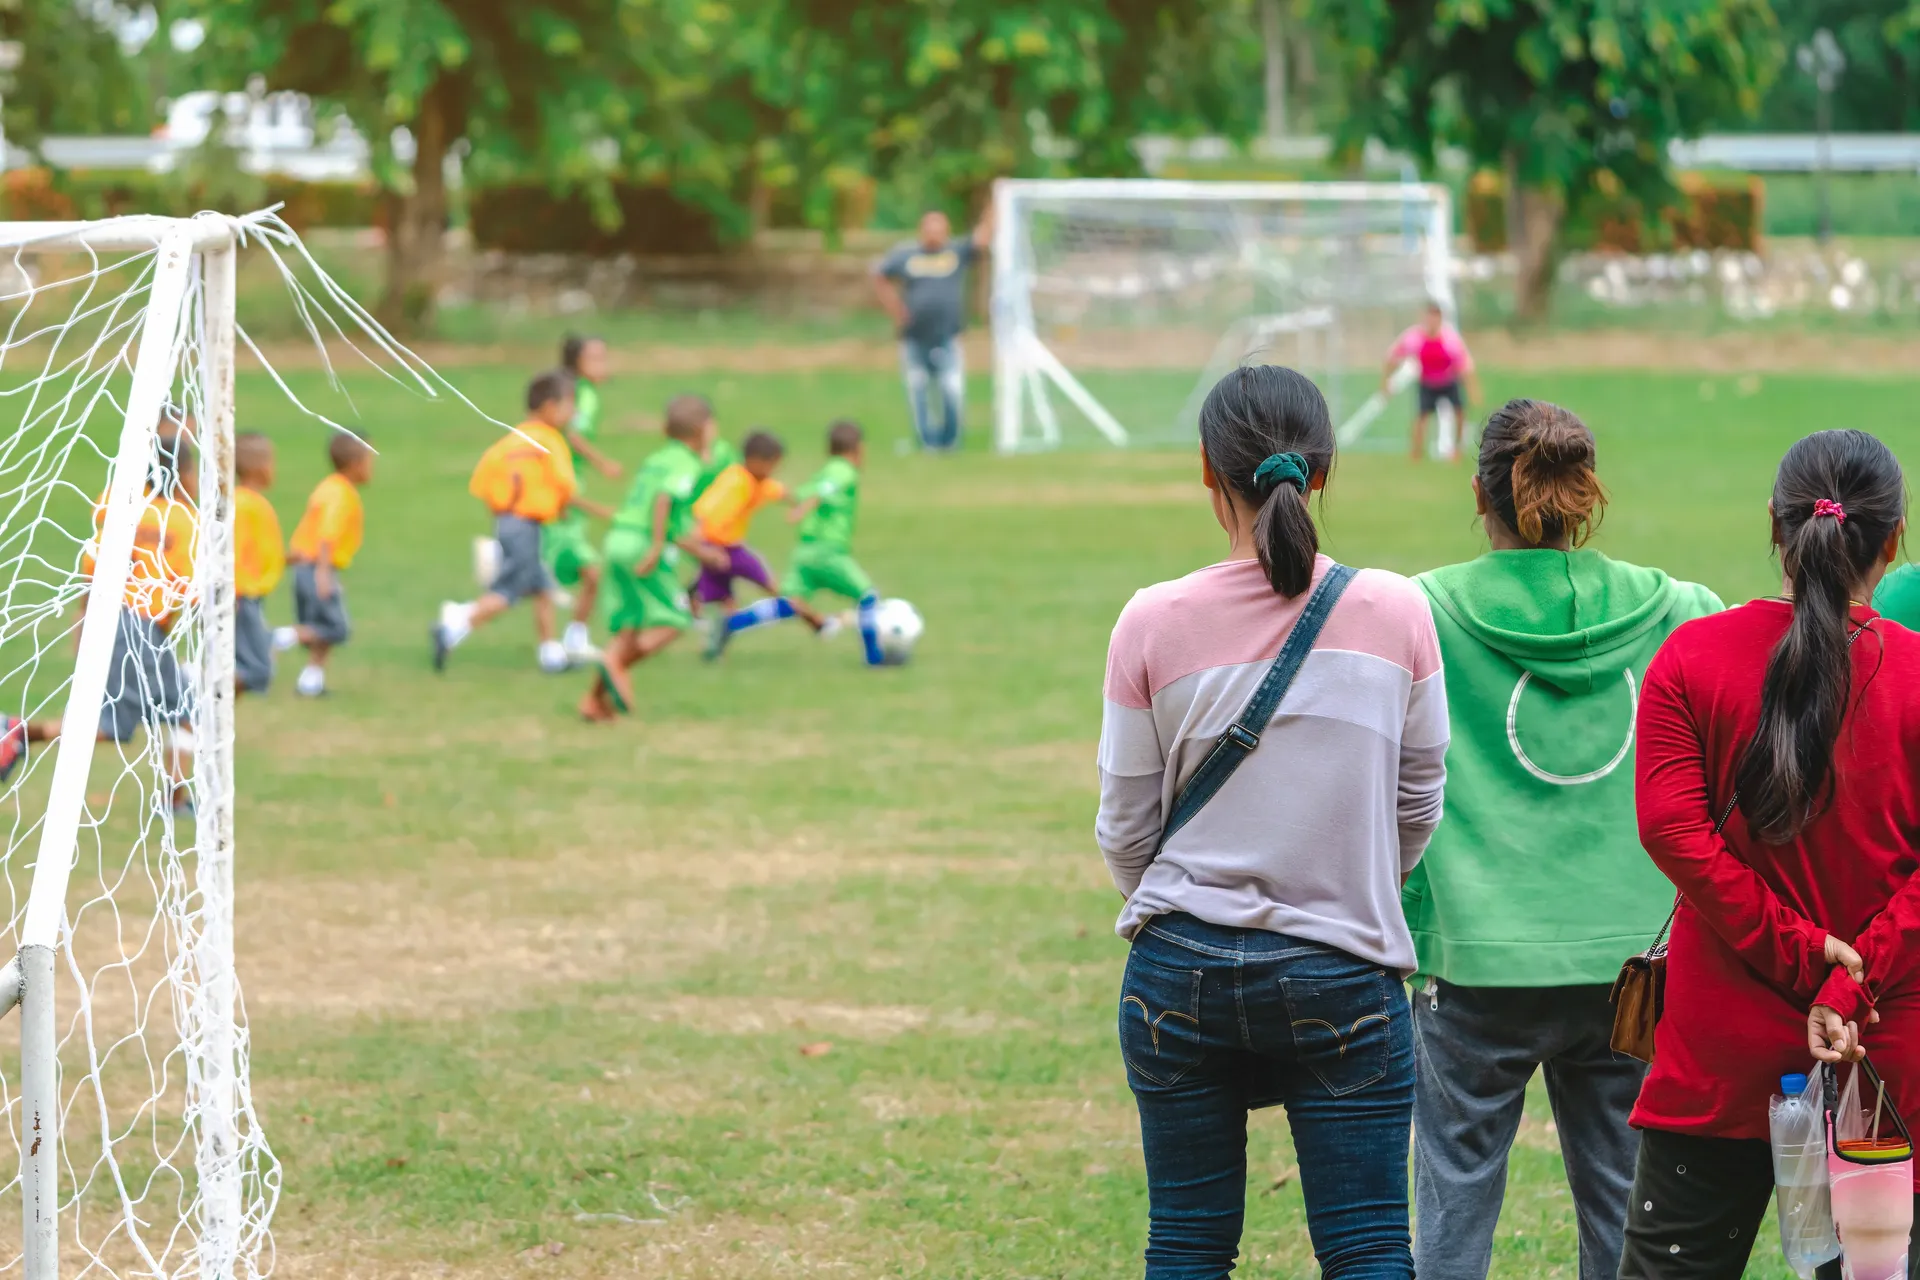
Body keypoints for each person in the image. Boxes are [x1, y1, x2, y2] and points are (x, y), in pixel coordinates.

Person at [1096, 364, 1448, 1280]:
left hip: (1177, 968)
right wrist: (1349, 877)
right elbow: (1418, 805)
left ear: (1207, 472)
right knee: (1369, 1247)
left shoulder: (1149, 620)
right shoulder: (1398, 610)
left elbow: (1125, 830)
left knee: (1184, 1242)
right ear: (1322, 472)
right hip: (1343, 967)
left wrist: (1191, 908)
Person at [1404, 399, 1722, 1280]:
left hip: (1473, 960)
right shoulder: (1682, 609)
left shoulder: (1419, 610)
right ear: (1587, 492)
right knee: (1625, 1216)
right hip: (1631, 967)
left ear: (1481, 494)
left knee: (1451, 1214)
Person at [1622, 428, 1920, 1276]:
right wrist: (1844, 979)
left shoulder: (1691, 659)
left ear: (1775, 528)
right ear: (1894, 540)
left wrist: (1801, 959)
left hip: (1716, 1060)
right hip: (1883, 1056)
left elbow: (1672, 831)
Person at [434, 370, 610, 674]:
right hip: (527, 525)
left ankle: (549, 653)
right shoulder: (551, 442)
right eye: (570, 406)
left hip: (507, 521)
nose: (574, 413)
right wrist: (583, 509)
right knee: (508, 593)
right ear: (551, 407)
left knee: (542, 587)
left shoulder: (509, 441)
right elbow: (565, 486)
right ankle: (455, 623)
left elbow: (483, 483)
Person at [579, 394, 729, 721]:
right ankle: (613, 664)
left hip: (617, 540)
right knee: (675, 621)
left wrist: (702, 552)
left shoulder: (657, 458)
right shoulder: (686, 463)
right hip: (643, 545)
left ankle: (593, 702)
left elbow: (671, 522)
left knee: (630, 627)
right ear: (701, 430)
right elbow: (663, 501)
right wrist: (657, 547)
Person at [693, 430, 829, 661]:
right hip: (724, 550)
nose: (773, 471)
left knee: (725, 603)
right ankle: (817, 622)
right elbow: (707, 515)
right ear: (756, 461)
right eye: (772, 464)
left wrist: (807, 502)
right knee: (776, 589)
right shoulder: (736, 483)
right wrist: (706, 548)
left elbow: (785, 493)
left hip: (722, 549)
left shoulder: (759, 481)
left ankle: (714, 645)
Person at [758, 420, 883, 666]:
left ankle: (731, 625)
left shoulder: (823, 471)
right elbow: (822, 493)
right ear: (857, 449)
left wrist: (799, 505)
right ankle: (876, 660)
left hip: (804, 552)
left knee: (789, 604)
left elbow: (802, 493)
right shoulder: (843, 470)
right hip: (827, 552)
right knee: (867, 597)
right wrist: (803, 509)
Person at [873, 202, 994, 451]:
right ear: (922, 230)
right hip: (915, 337)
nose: (934, 234)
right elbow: (879, 274)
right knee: (919, 391)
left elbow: (983, 238)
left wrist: (997, 201)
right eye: (930, 228)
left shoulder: (956, 252)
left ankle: (950, 442)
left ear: (946, 231)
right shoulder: (907, 255)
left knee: (951, 389)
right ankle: (927, 443)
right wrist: (896, 309)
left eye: (939, 229)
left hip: (948, 335)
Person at [274, 431, 373, 698]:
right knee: (336, 629)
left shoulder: (329, 487)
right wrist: (324, 573)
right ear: (355, 463)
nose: (371, 467)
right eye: (368, 460)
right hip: (316, 567)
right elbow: (327, 533)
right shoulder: (341, 494)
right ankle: (277, 638)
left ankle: (311, 682)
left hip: (307, 565)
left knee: (320, 628)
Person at [545, 334, 623, 665]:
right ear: (576, 362)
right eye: (595, 358)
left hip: (563, 486)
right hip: (561, 488)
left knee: (560, 568)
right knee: (587, 571)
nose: (603, 365)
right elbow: (573, 436)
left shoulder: (576, 391)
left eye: (604, 357)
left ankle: (572, 638)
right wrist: (602, 462)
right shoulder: (581, 395)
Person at [1381, 302, 1480, 462]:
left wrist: (1472, 390)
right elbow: (1392, 356)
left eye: (1435, 317)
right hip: (1427, 382)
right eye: (1429, 317)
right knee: (1421, 417)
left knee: (1460, 413)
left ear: (1440, 319)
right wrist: (1385, 381)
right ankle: (1416, 453)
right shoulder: (1414, 337)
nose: (1432, 321)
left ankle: (1457, 450)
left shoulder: (1450, 339)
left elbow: (1465, 366)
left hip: (1448, 381)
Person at [233, 432, 286, 697]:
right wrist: (237, 591)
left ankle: (200, 728)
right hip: (242, 598)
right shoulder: (243, 505)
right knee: (257, 670)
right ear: (260, 467)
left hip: (253, 596)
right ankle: (189, 683)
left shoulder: (253, 503)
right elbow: (233, 553)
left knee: (250, 667)